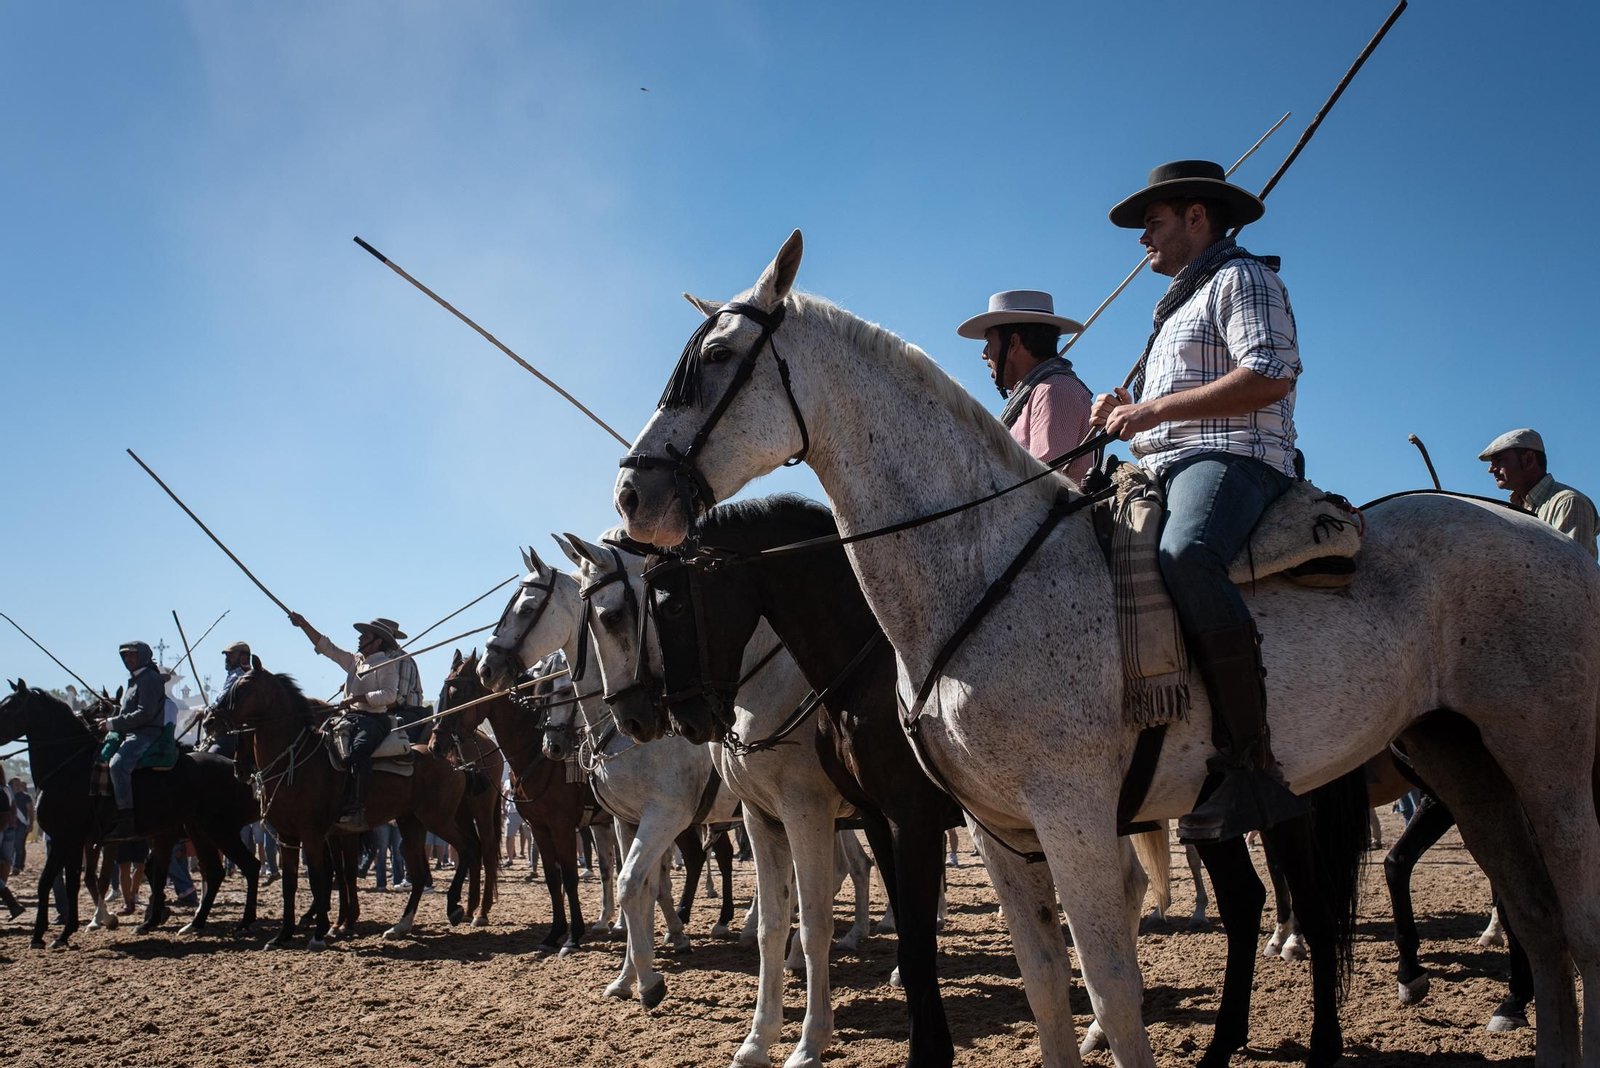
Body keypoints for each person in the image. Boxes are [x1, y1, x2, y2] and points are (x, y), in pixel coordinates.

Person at [1091, 159, 1309, 843]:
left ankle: (1250, 762)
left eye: (1152, 223)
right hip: (1170, 465)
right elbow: (1178, 404)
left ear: (1196, 217)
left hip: (1237, 459)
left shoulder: (1246, 278)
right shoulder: (1179, 304)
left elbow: (1269, 373)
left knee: (1186, 555)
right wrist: (1129, 409)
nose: (1142, 239)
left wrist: (1152, 411)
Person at [287, 613, 422, 830]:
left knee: (359, 750)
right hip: (350, 717)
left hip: (375, 719)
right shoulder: (355, 661)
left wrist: (358, 699)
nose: (359, 638)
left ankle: (357, 807)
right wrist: (304, 625)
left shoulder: (388, 664)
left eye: (365, 635)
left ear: (377, 641)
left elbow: (389, 695)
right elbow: (327, 648)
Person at [958, 290, 1096, 481]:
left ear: (1013, 343)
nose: (984, 354)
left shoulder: (1054, 391)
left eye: (989, 341)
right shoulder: (1035, 395)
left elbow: (1042, 488)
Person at [1479, 428, 1598, 560]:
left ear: (1528, 459)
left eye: (1499, 460)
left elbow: (1571, 570)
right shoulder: (1514, 507)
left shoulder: (1569, 503)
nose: (1491, 469)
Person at [100, 641, 167, 840]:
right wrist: (111, 715)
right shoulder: (135, 680)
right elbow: (129, 711)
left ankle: (126, 820)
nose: (128, 660)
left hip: (145, 734)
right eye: (125, 656)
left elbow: (145, 714)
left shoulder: (149, 679)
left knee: (118, 765)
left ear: (144, 656)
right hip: (129, 733)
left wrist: (112, 724)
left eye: (132, 655)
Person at [199, 641, 254, 758]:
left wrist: (204, 712)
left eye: (231, 655)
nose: (227, 658)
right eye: (226, 656)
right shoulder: (243, 675)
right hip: (241, 732)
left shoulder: (238, 677)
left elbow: (219, 704)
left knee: (210, 759)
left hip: (233, 733)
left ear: (244, 657)